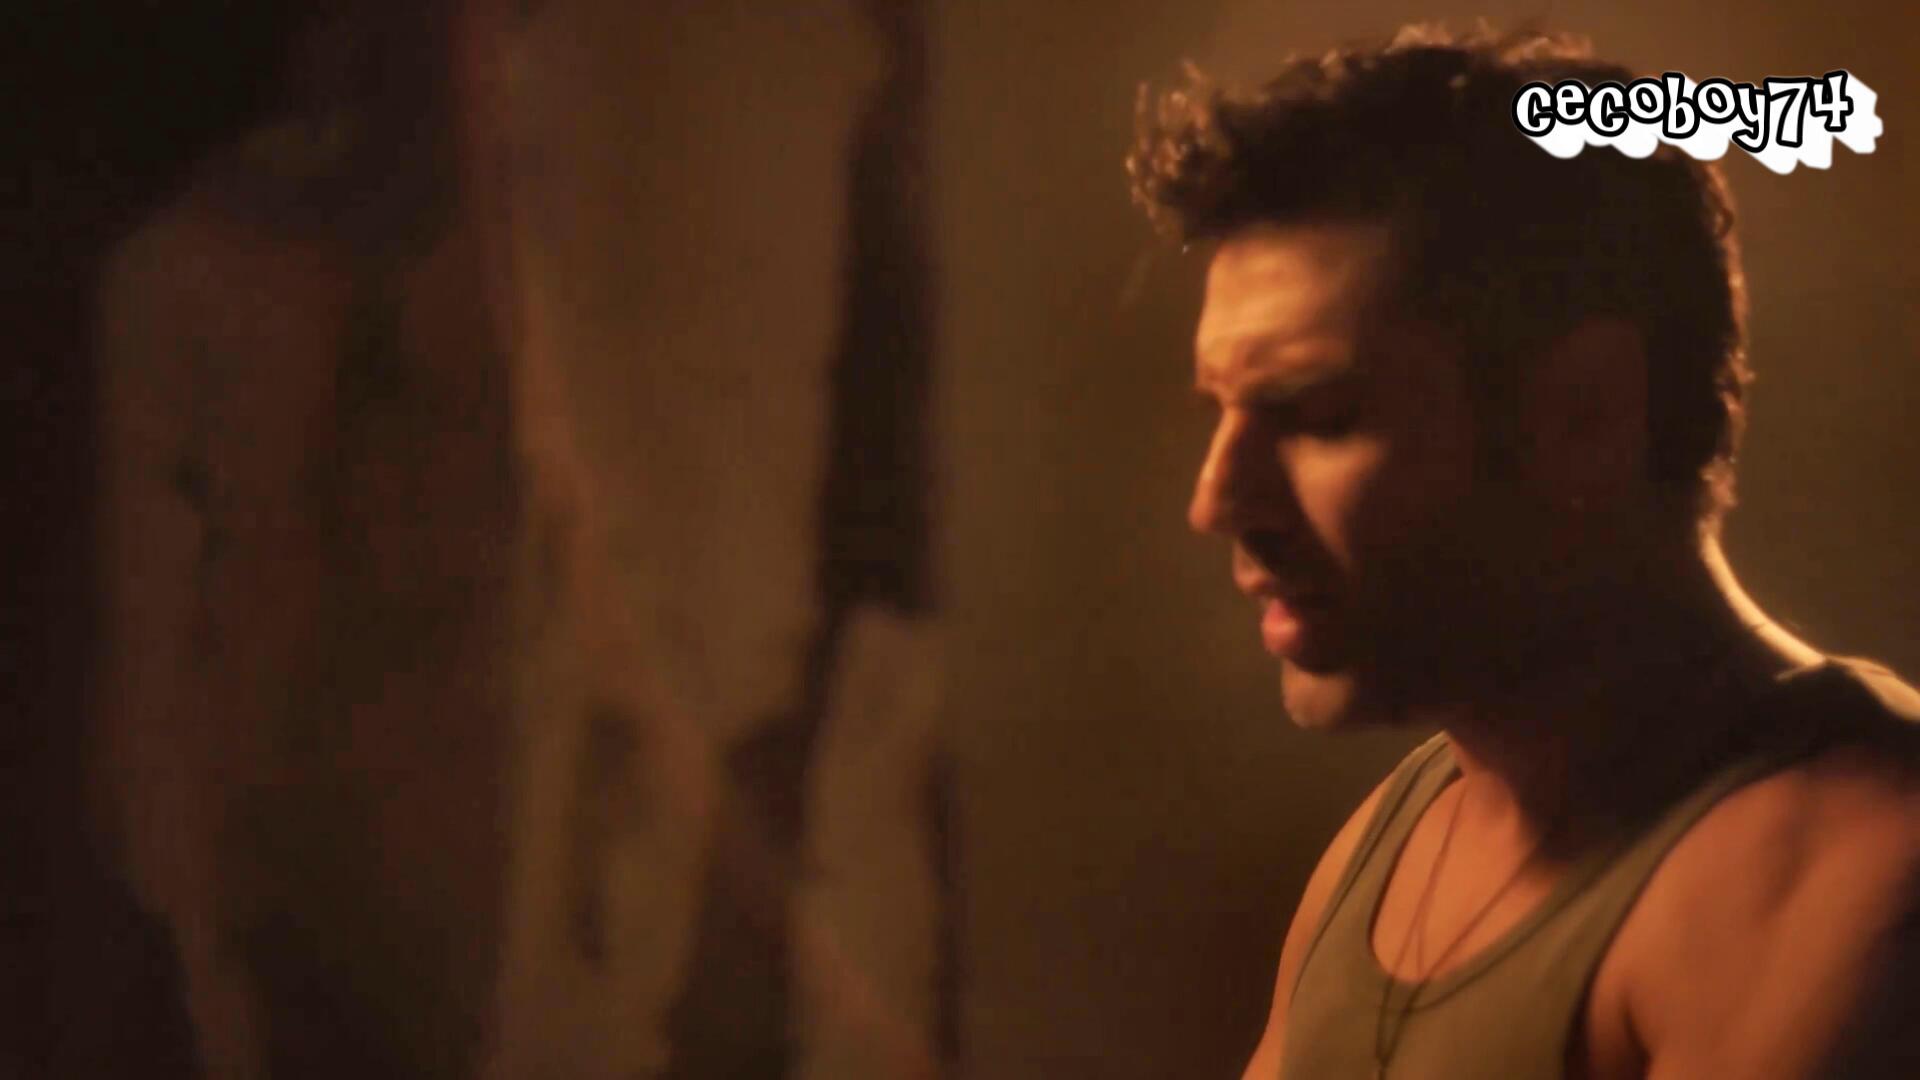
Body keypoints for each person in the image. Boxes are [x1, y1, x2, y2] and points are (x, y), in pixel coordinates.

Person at [1127, 24, 1920, 1079]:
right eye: (1221, 416)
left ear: (1588, 415)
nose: (1218, 501)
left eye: (1319, 415)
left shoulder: (1846, 872)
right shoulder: (1399, 837)